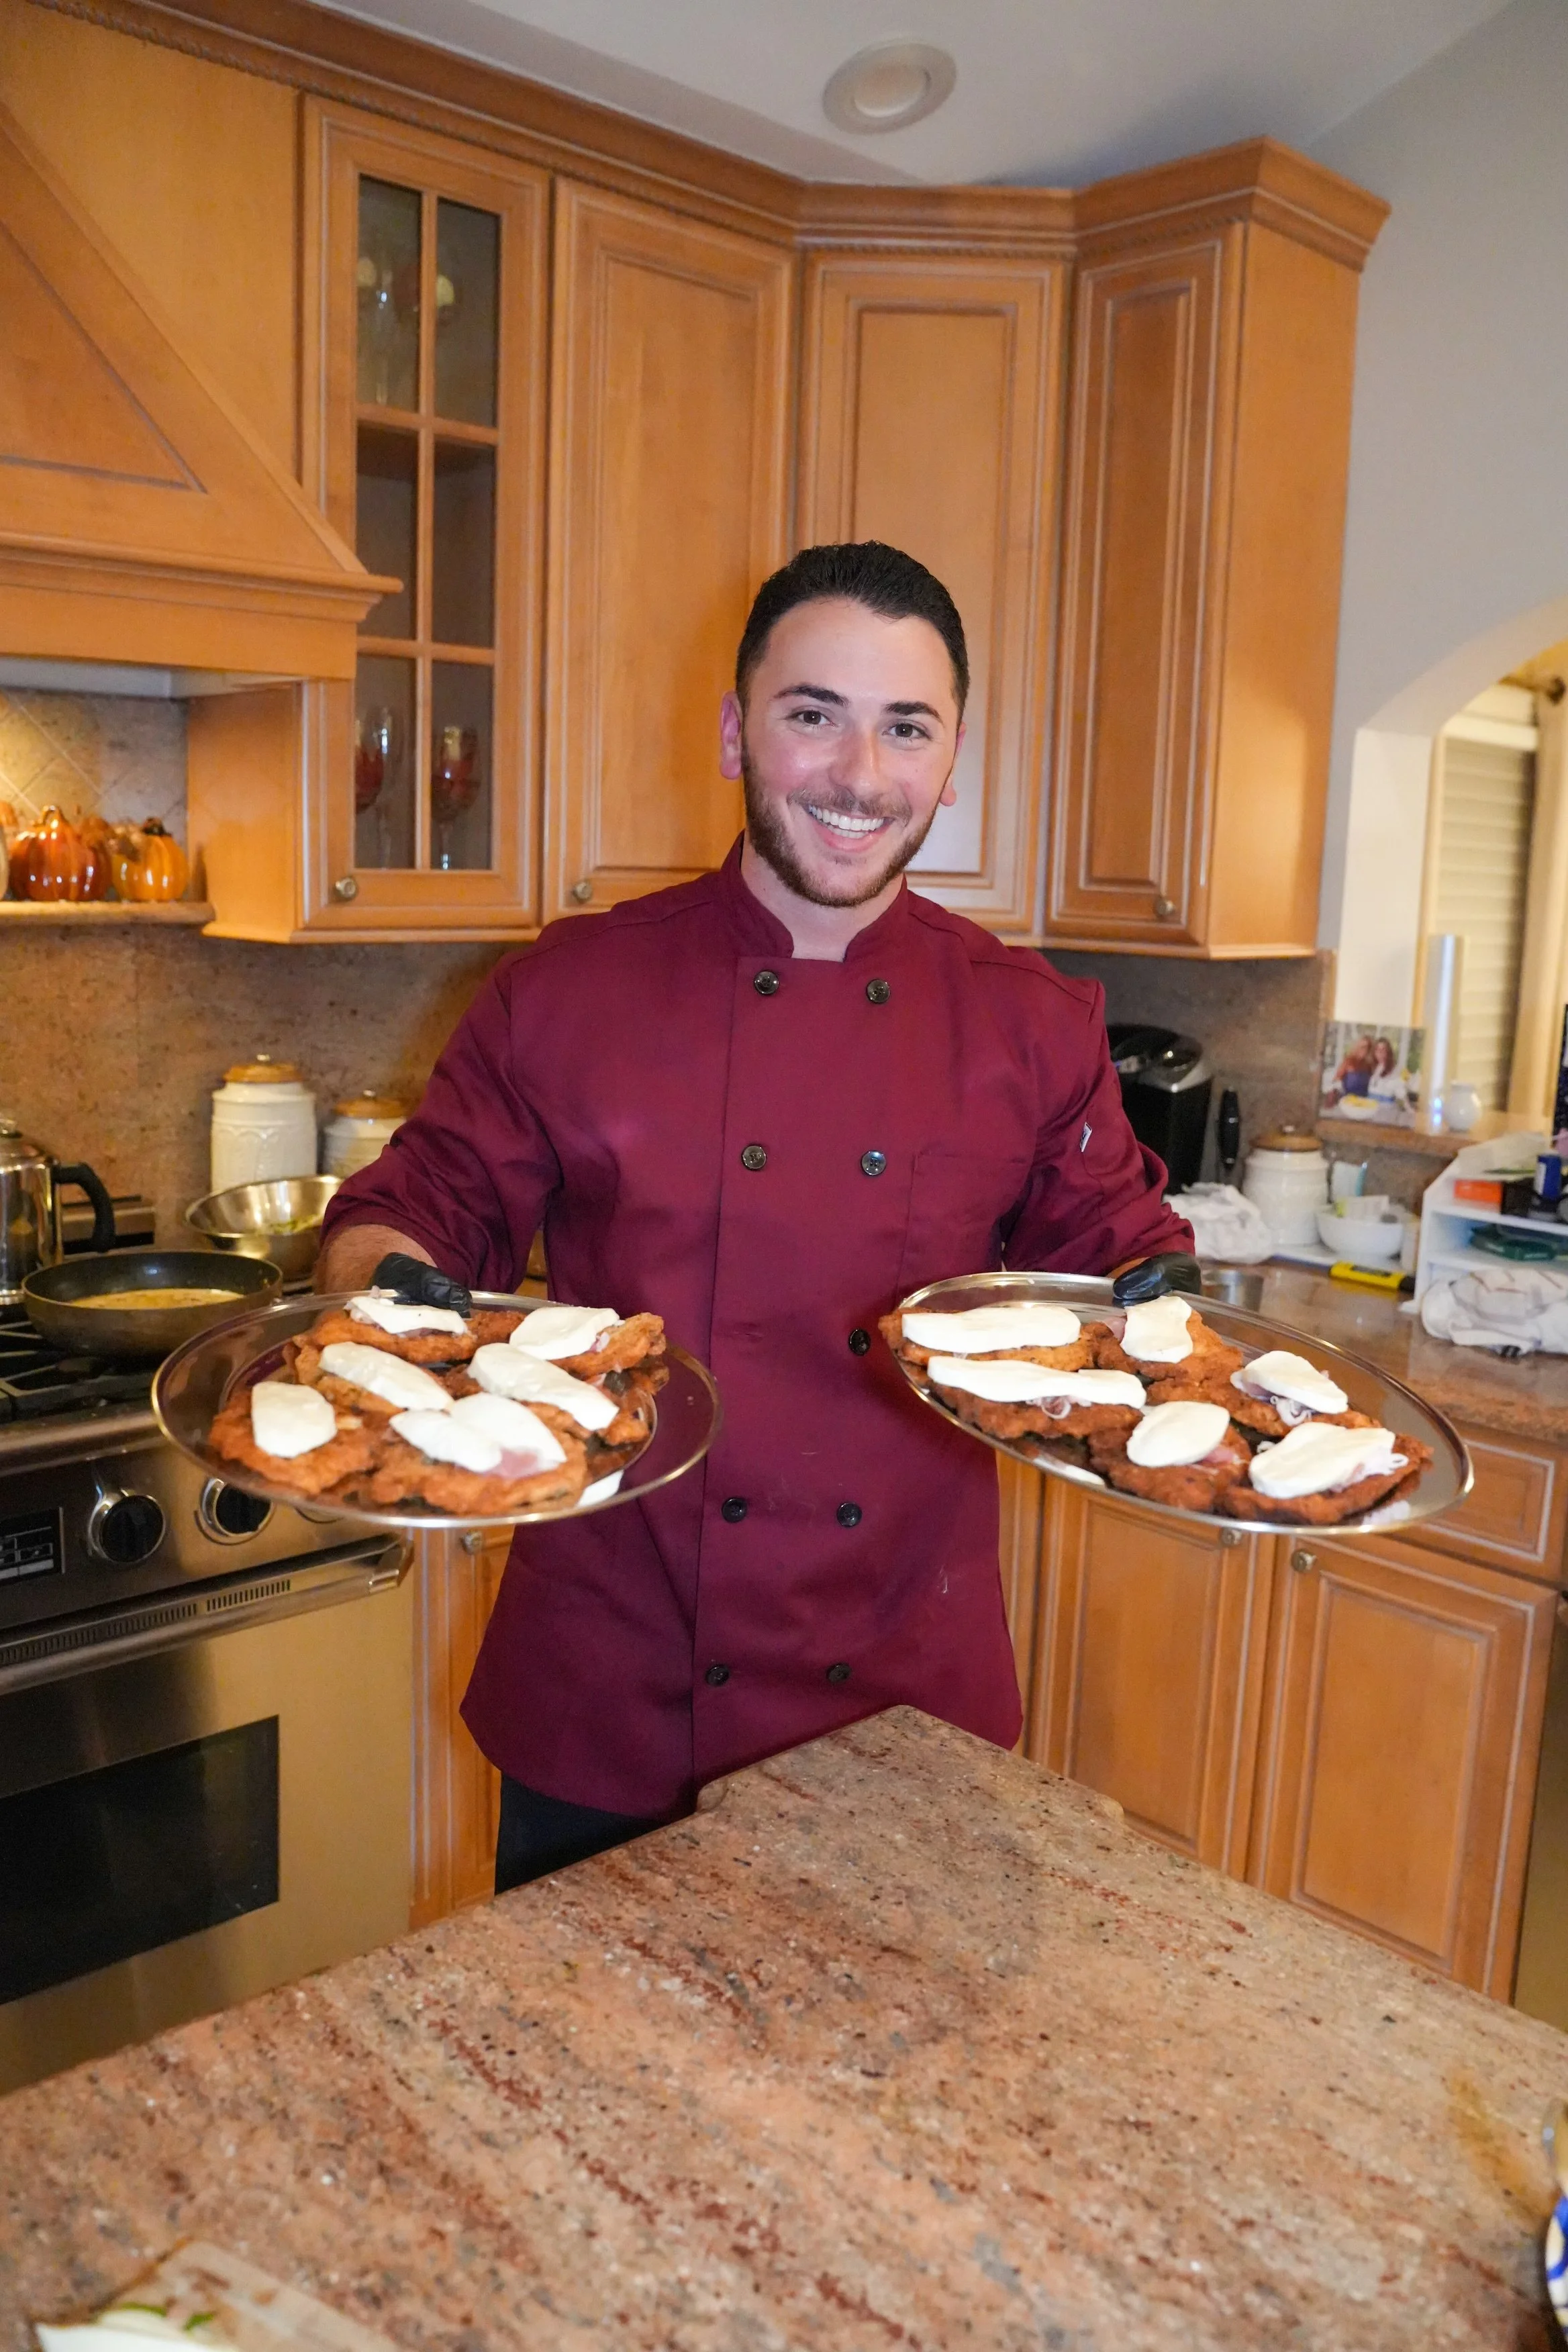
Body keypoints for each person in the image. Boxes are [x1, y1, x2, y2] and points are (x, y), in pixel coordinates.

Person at [317, 541, 1196, 1889]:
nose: (859, 775)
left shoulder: (1032, 1021)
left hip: (903, 1699)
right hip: (609, 1695)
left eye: (905, 727)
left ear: (951, 760)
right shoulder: (566, 992)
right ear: (736, 732)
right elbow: (413, 1213)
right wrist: (387, 1300)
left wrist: (1180, 1344)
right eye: (811, 715)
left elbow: (1126, 1266)